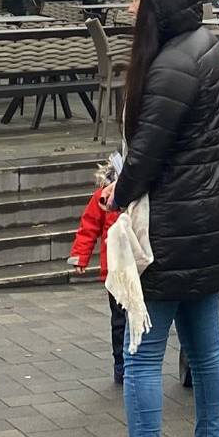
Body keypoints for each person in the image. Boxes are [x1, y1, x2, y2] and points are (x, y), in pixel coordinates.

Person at [104, 0, 219, 437]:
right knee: (208, 355)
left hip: (167, 235)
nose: (130, 6)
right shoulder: (205, 47)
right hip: (210, 228)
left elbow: (147, 155)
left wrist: (118, 192)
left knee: (142, 358)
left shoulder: (170, 65)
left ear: (160, 6)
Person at [68, 165, 127, 385]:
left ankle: (133, 360)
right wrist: (80, 256)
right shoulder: (103, 196)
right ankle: (120, 363)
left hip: (138, 267)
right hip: (115, 270)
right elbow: (89, 226)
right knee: (120, 320)